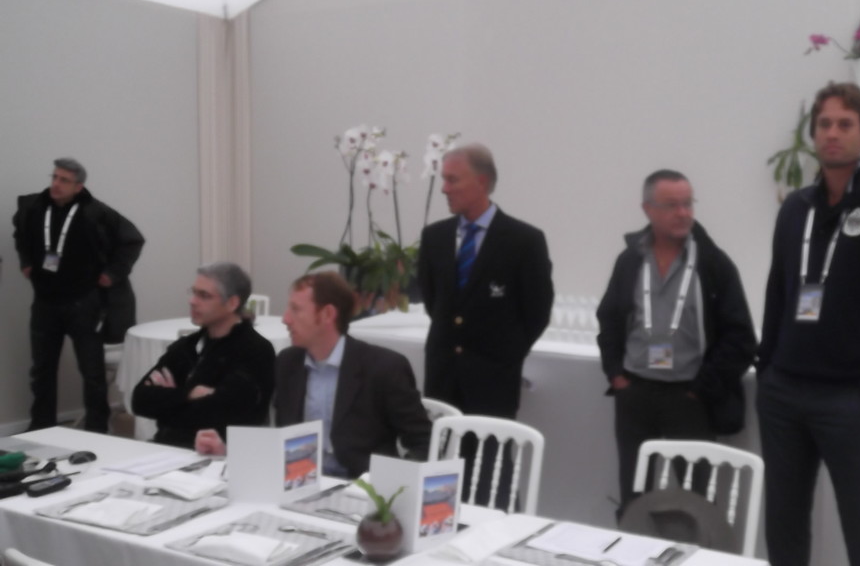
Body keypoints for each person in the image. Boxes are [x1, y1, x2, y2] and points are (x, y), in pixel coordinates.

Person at [756, 82, 860, 566]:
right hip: (784, 395)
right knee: (784, 527)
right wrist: (767, 369)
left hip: (850, 399)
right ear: (814, 134)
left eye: (845, 124)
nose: (833, 133)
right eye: (825, 124)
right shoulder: (796, 209)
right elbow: (777, 292)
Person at [596, 169, 757, 519]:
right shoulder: (630, 261)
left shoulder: (713, 264)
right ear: (648, 209)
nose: (683, 213)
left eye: (688, 204)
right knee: (634, 499)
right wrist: (616, 376)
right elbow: (609, 319)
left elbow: (741, 337)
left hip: (689, 398)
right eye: (672, 205)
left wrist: (701, 390)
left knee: (697, 505)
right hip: (635, 394)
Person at [197, 272, 431, 478]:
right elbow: (279, 439)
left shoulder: (383, 368)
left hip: (361, 490)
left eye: (296, 310)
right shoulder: (288, 363)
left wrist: (392, 486)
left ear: (327, 314)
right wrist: (228, 451)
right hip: (300, 484)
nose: (285, 319)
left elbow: (424, 443)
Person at [417, 143, 554, 419]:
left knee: (489, 448)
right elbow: (434, 302)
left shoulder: (523, 241)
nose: (444, 189)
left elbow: (537, 311)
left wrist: (505, 356)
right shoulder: (434, 238)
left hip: (493, 384)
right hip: (443, 381)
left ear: (481, 182)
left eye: (452, 180)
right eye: (444, 179)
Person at [13, 158, 145, 433]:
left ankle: (97, 430)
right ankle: (42, 426)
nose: (56, 184)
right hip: (45, 302)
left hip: (84, 303)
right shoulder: (34, 208)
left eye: (64, 180)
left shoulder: (95, 213)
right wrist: (25, 261)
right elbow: (20, 234)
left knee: (92, 372)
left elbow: (132, 240)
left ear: (78, 186)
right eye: (54, 177)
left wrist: (112, 274)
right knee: (42, 370)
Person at [131, 263, 275, 448]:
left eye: (204, 295)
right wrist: (189, 394)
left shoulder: (255, 351)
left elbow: (224, 417)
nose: (193, 301)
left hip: (220, 455)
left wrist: (167, 404)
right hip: (167, 448)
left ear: (232, 303)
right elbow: (139, 400)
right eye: (193, 292)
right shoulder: (187, 346)